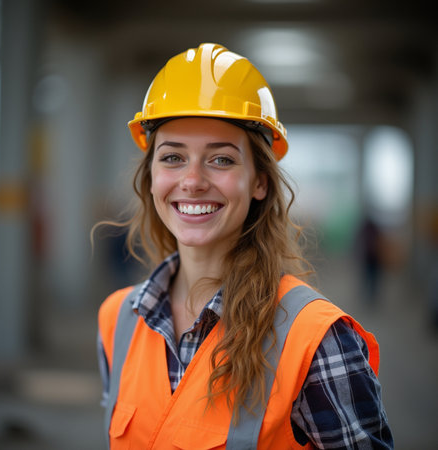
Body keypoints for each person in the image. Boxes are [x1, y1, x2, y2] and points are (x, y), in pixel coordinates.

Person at [97, 43, 393, 449]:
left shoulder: (315, 339)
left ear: (259, 182)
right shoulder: (118, 321)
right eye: (172, 157)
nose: (193, 180)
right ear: (151, 178)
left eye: (221, 160)